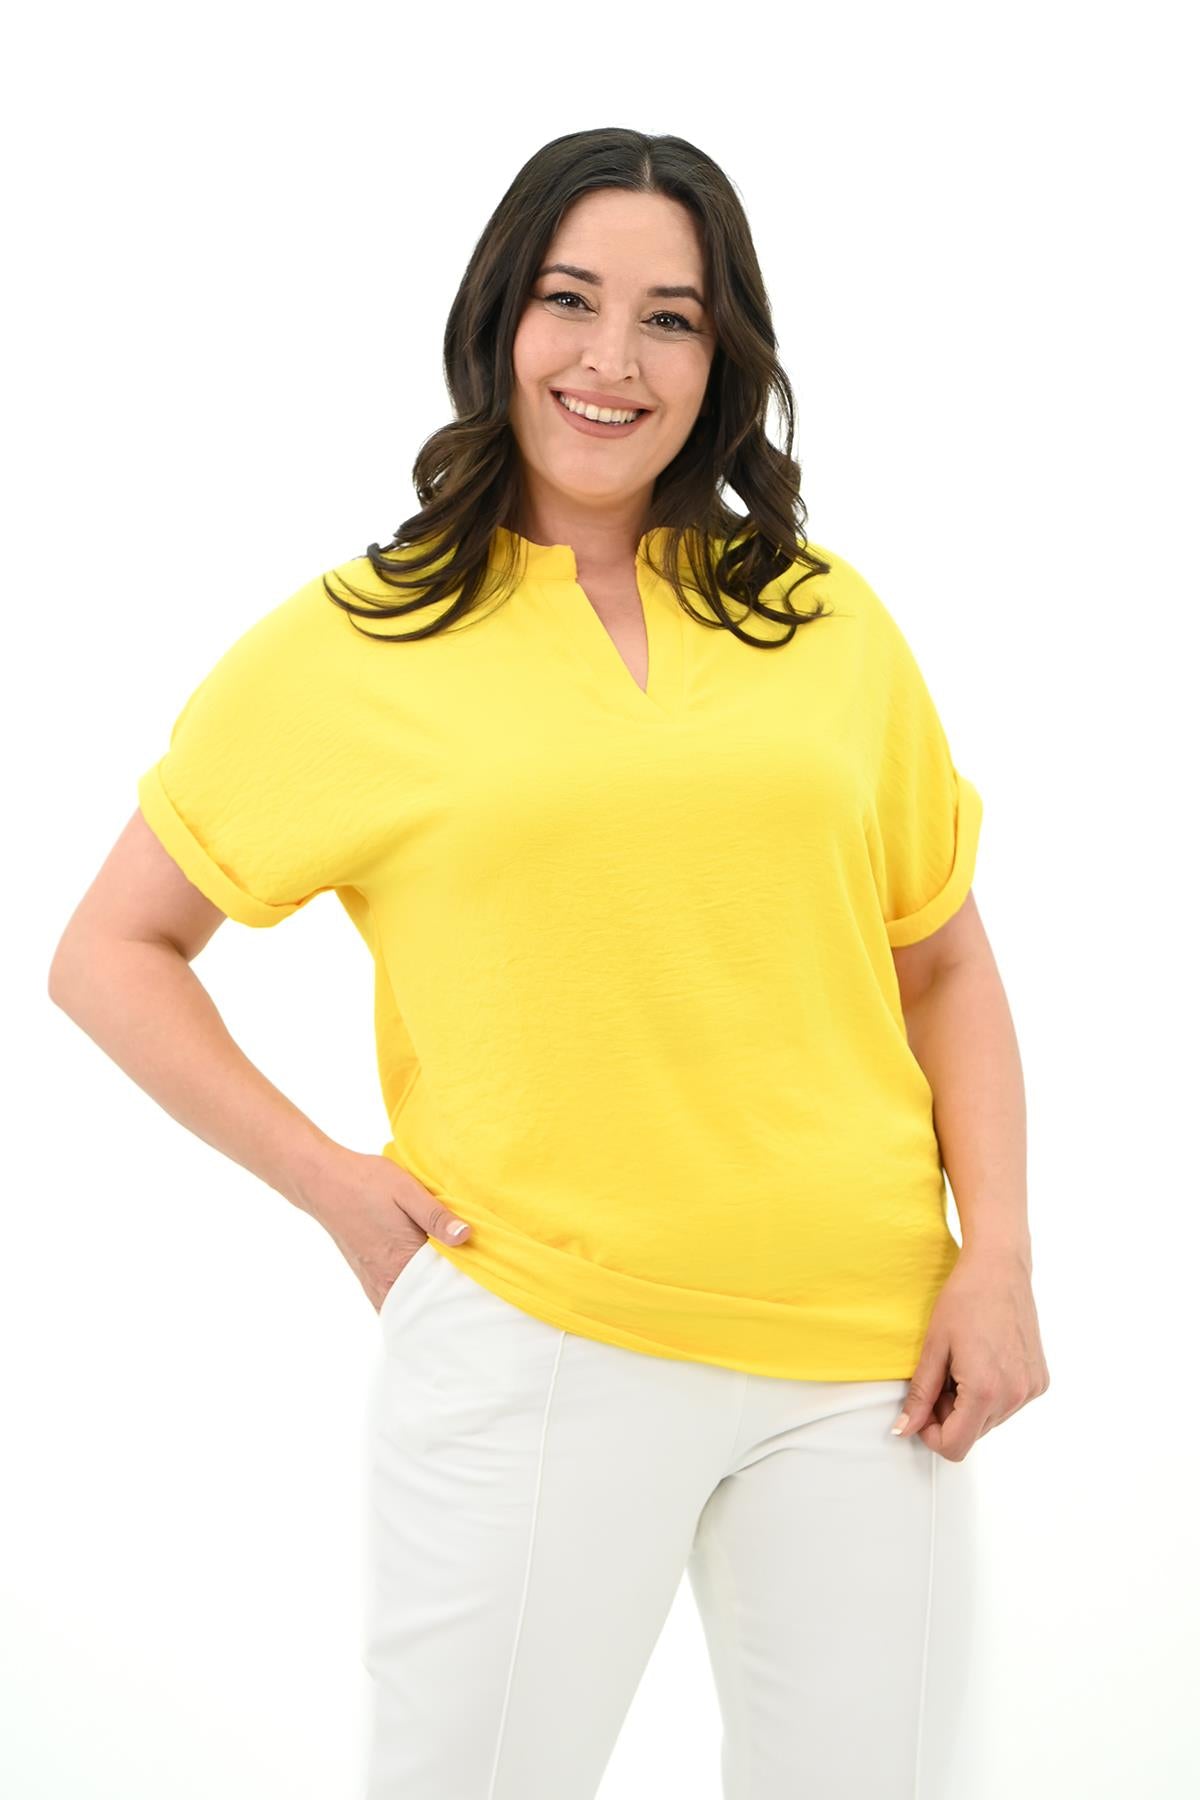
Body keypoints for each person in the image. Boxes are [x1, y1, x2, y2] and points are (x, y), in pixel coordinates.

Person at [49, 127, 1049, 1799]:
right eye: (570, 301)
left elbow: (940, 963)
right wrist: (333, 1183)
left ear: (722, 358)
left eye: (670, 318)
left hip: (865, 1362)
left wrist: (996, 1256)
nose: (612, 360)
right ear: (500, 319)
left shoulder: (824, 619)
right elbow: (111, 950)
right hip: (539, 1338)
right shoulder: (362, 638)